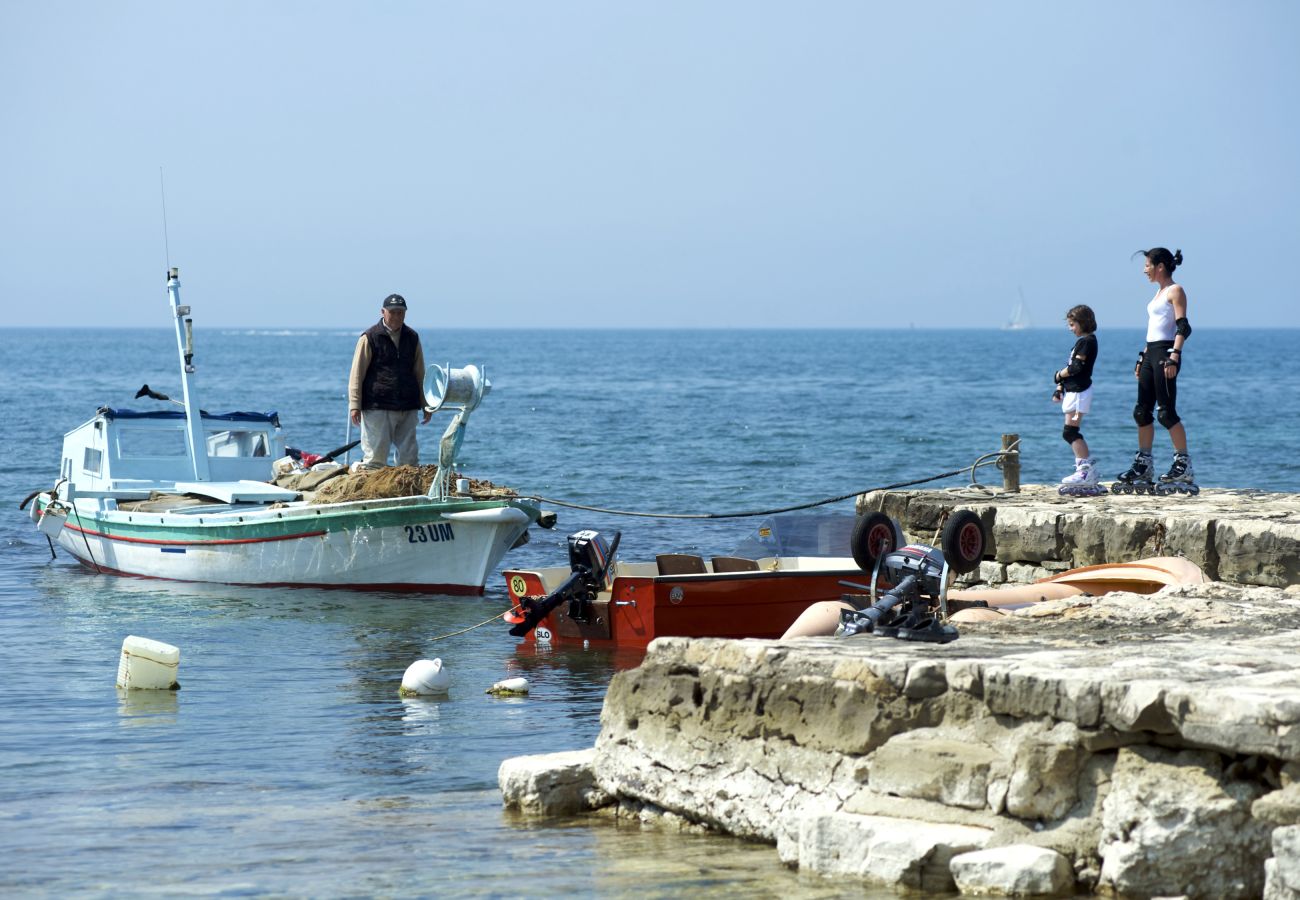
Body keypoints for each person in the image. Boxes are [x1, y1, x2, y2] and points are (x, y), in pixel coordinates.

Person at [1116, 248, 1195, 490]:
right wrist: (1143, 357)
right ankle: (1144, 464)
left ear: (1160, 266)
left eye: (1147, 265)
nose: (1144, 270)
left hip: (1166, 353)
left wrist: (1174, 356)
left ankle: (1183, 465)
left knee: (1166, 413)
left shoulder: (1175, 290)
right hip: (1151, 353)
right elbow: (1155, 329)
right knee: (1142, 412)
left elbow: (1183, 327)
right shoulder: (1158, 293)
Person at [348, 293, 432, 469]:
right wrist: (355, 405)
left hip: (408, 406)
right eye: (392, 312)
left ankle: (407, 487)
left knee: (409, 461)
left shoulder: (412, 337)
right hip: (377, 405)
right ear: (383, 312)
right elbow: (357, 373)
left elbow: (420, 372)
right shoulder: (370, 337)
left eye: (400, 312)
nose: (396, 316)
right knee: (375, 460)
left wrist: (426, 404)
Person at [1053, 304, 1100, 492]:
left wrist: (1059, 375)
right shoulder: (1083, 342)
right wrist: (1059, 386)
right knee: (1070, 432)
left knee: (1070, 432)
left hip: (1079, 392)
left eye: (1072, 324)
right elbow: (1071, 367)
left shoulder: (1087, 342)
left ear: (1083, 322)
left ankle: (1085, 472)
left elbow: (1076, 368)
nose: (1070, 328)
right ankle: (1086, 471)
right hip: (1074, 391)